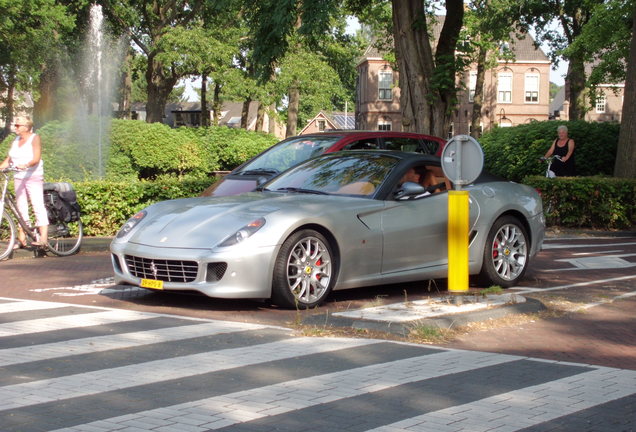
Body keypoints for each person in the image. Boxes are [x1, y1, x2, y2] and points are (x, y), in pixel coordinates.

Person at [0, 116, 48, 248]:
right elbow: (9, 160)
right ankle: (22, 237)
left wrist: (26, 165)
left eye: (18, 125)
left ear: (26, 127)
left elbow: (36, 158)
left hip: (33, 175)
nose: (15, 127)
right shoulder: (15, 140)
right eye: (15, 125)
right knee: (21, 207)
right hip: (19, 176)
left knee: (37, 205)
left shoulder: (34, 138)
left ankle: (43, 238)